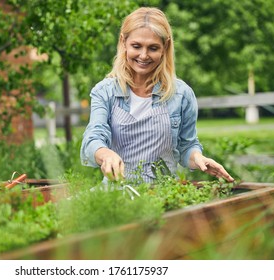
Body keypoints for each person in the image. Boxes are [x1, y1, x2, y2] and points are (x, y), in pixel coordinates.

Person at [80, 7, 234, 184]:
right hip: (117, 194)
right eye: (136, 46)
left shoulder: (181, 95)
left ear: (165, 47)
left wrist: (198, 157)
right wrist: (105, 154)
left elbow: (186, 146)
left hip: (165, 192)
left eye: (153, 48)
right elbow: (93, 137)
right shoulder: (105, 91)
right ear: (123, 43)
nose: (143, 55)